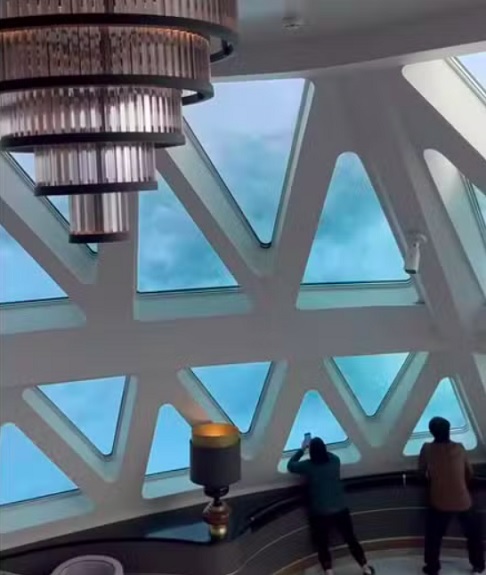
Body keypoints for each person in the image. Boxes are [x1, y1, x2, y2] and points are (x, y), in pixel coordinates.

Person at [287, 435, 375, 575]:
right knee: (351, 539)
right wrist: (320, 449)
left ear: (311, 452)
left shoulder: (308, 466)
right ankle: (365, 568)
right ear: (325, 449)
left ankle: (329, 572)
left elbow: (290, 465)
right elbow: (328, 455)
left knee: (322, 544)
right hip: (341, 509)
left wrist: (302, 449)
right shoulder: (335, 461)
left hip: (320, 513)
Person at [419, 417, 485, 575]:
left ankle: (432, 567)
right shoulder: (459, 448)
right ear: (449, 431)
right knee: (473, 534)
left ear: (432, 432)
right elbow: (469, 473)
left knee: (433, 537)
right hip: (463, 500)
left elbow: (421, 472)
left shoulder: (427, 449)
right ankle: (478, 565)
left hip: (439, 501)